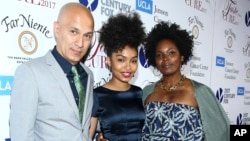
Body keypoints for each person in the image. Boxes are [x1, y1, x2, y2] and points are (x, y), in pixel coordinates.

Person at [9, 2, 95, 141]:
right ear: (57, 29)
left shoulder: (88, 75)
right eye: (74, 32)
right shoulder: (31, 72)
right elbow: (20, 136)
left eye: (87, 36)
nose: (80, 43)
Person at [141, 21, 230, 141]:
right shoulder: (147, 92)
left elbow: (222, 132)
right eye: (159, 55)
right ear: (154, 59)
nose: (165, 59)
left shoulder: (200, 91)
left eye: (171, 53)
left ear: (182, 56)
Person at [89, 12, 146, 141]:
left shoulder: (138, 92)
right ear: (108, 61)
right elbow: (87, 137)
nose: (128, 67)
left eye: (133, 61)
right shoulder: (97, 95)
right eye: (121, 60)